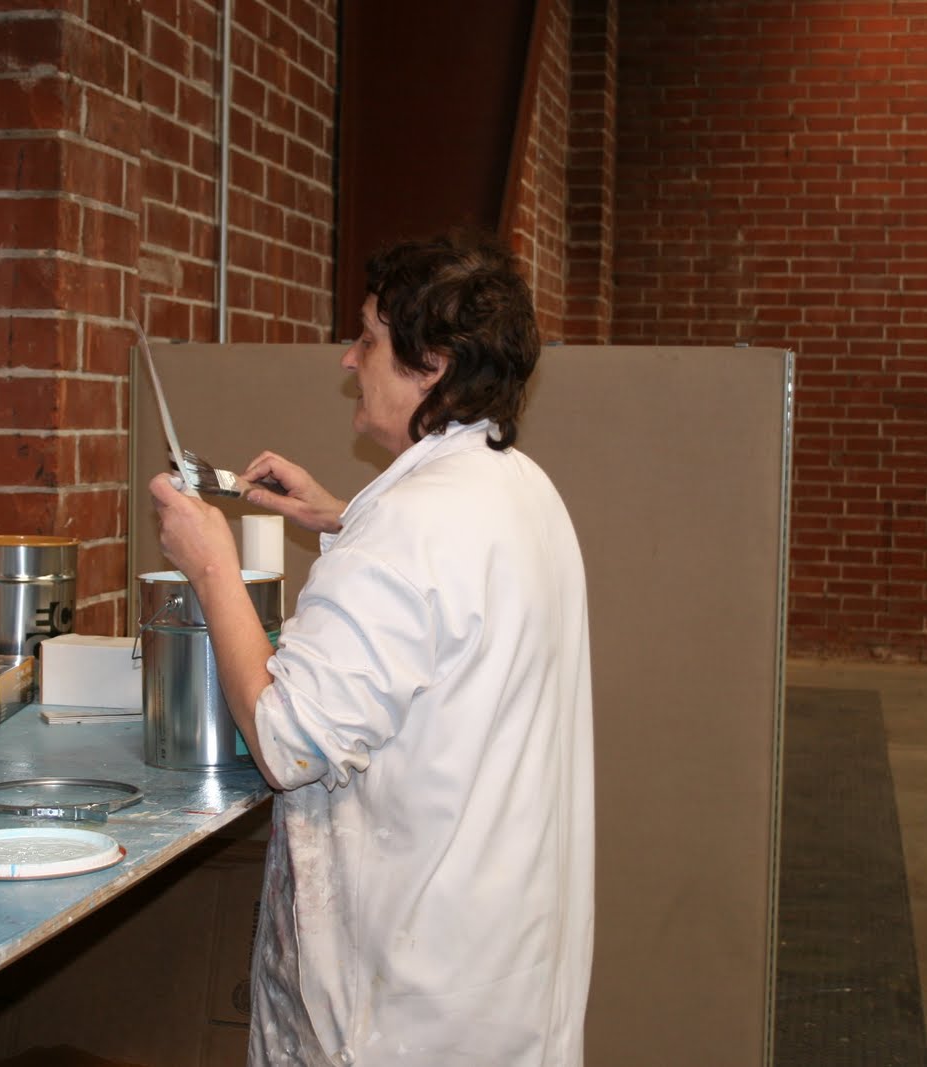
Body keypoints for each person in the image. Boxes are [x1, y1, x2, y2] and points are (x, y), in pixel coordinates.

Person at [148, 230, 594, 1066]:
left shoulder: (412, 528)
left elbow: (286, 740)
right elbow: (441, 603)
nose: (349, 360)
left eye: (368, 338)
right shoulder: (518, 487)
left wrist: (212, 568)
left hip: (405, 1014)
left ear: (433, 367)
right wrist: (345, 516)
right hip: (492, 978)